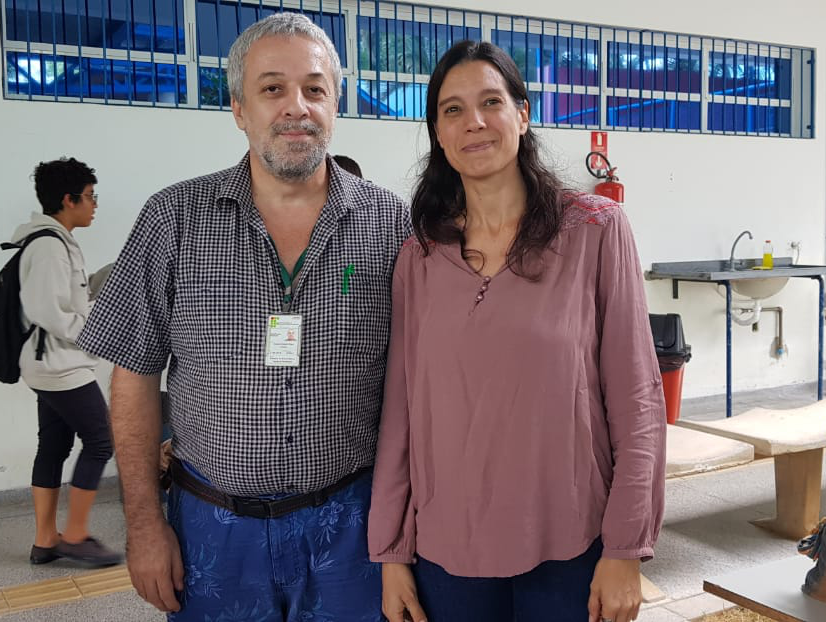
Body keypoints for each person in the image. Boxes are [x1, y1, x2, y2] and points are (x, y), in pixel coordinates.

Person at [77, 13, 409, 621]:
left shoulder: (392, 226)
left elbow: (416, 388)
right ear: (238, 108)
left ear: (335, 102)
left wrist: (404, 539)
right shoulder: (173, 219)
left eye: (315, 88)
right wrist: (145, 525)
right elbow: (134, 379)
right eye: (272, 88)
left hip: (352, 527)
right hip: (212, 528)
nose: (296, 107)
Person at [367, 41, 666, 622]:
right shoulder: (422, 256)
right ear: (437, 132)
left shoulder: (595, 230)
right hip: (446, 550)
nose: (473, 122)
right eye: (451, 110)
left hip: (570, 543)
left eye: (490, 102)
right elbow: (401, 412)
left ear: (523, 115)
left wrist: (626, 546)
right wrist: (392, 552)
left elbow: (637, 397)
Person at [15, 157, 121, 567]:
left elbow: (67, 297)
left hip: (49, 364)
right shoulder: (48, 245)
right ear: (67, 199)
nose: (95, 205)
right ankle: (75, 535)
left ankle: (46, 540)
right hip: (60, 365)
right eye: (90, 197)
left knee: (54, 445)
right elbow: (48, 310)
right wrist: (95, 329)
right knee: (100, 441)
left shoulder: (55, 241)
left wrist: (101, 280)